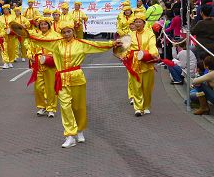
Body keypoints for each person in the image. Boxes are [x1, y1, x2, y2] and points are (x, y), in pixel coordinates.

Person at [22, 20, 122, 148]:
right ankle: (70, 135)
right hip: (62, 78)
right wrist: (27, 34)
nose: (66, 34)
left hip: (77, 77)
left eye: (69, 31)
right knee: (65, 106)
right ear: (61, 33)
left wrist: (112, 43)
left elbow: (97, 45)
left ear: (73, 32)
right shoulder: (56, 44)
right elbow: (41, 40)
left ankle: (80, 130)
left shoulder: (81, 44)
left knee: (78, 107)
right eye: (64, 32)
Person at [26, 16, 60, 117]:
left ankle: (51, 108)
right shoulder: (36, 35)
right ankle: (42, 106)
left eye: (45, 24)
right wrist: (30, 55)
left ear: (49, 25)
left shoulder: (55, 36)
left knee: (50, 88)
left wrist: (50, 58)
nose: (43, 26)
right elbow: (30, 48)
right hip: (38, 65)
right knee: (38, 88)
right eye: (41, 24)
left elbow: (58, 50)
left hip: (50, 65)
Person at [127, 10, 159, 117]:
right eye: (136, 22)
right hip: (134, 63)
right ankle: (138, 108)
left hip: (147, 62)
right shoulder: (130, 35)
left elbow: (152, 45)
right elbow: (126, 48)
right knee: (136, 86)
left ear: (144, 23)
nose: (137, 24)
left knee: (147, 87)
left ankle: (146, 106)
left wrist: (153, 53)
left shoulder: (150, 34)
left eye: (139, 22)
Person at [0, 4, 17, 69]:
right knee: (4, 48)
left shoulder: (13, 17)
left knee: (11, 48)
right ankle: (5, 62)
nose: (5, 11)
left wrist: (12, 31)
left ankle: (10, 61)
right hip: (3, 34)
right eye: (4, 9)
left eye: (6, 9)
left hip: (11, 35)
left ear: (9, 10)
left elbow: (15, 25)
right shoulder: (0, 17)